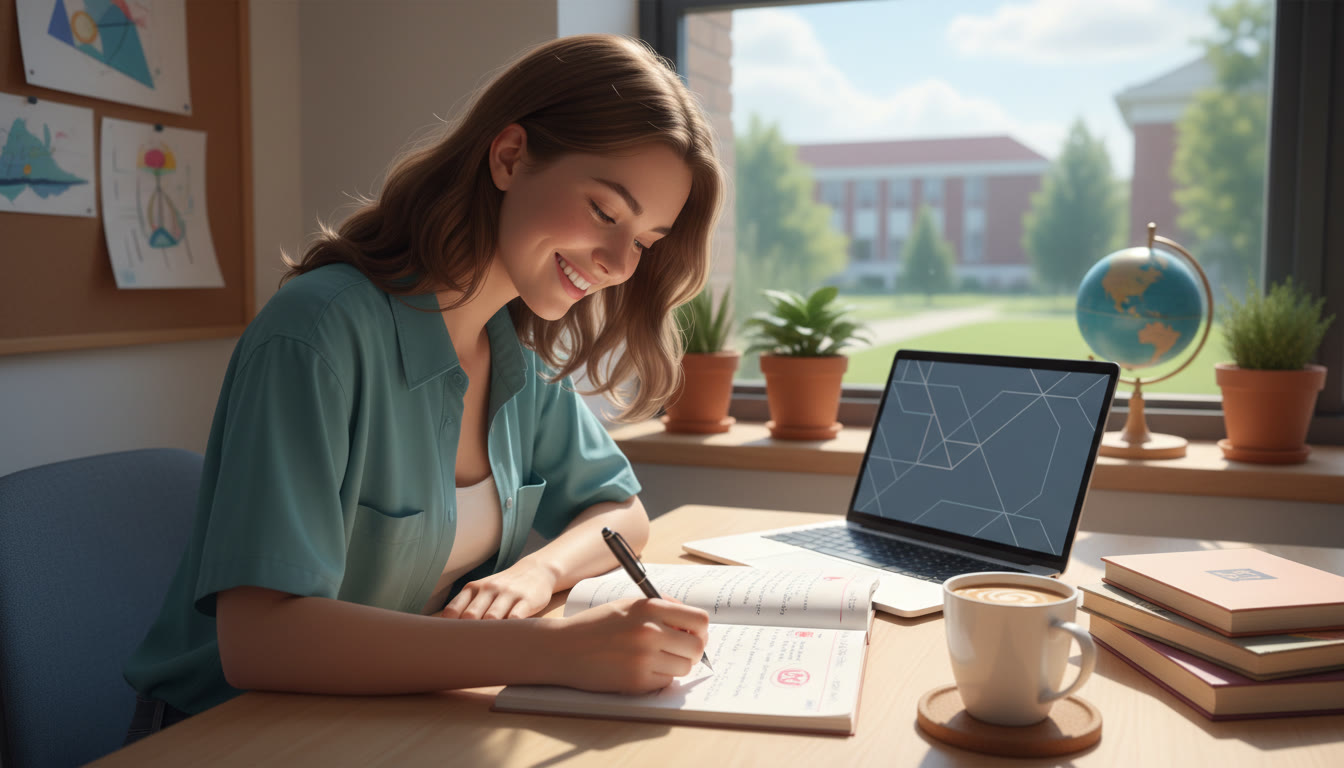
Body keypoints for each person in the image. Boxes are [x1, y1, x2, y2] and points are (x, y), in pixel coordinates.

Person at [122, 33, 724, 744]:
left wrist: (535, 574)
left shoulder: (513, 352)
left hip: (393, 722)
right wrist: (556, 651)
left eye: (647, 241)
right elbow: (260, 639)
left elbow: (620, 510)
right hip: (233, 735)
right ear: (509, 157)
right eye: (605, 212)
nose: (622, 263)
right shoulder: (317, 334)